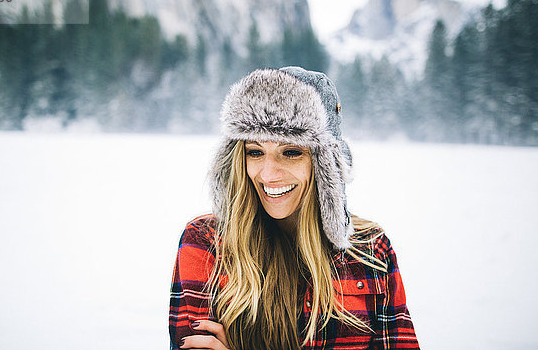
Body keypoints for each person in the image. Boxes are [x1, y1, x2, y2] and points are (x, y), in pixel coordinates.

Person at [169, 67, 419, 349]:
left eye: (291, 152)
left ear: (325, 166)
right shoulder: (206, 244)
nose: (268, 174)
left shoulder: (370, 250)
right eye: (255, 152)